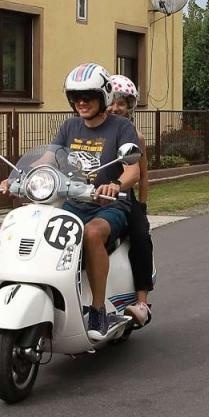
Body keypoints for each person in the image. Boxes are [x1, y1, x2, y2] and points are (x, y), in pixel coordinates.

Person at [51, 63, 141, 341]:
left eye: (88, 96)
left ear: (102, 96)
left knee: (91, 234)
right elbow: (50, 158)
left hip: (110, 205)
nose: (81, 102)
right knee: (46, 230)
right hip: (74, 202)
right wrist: (19, 177)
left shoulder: (121, 126)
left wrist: (115, 185)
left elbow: (133, 169)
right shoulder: (69, 127)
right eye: (75, 97)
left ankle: (99, 309)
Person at [107, 74, 154, 327]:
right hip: (89, 196)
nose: (115, 108)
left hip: (124, 197)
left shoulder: (136, 136)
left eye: (121, 104)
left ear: (130, 107)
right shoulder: (92, 130)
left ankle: (142, 301)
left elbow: (143, 176)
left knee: (140, 236)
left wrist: (142, 207)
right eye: (111, 102)